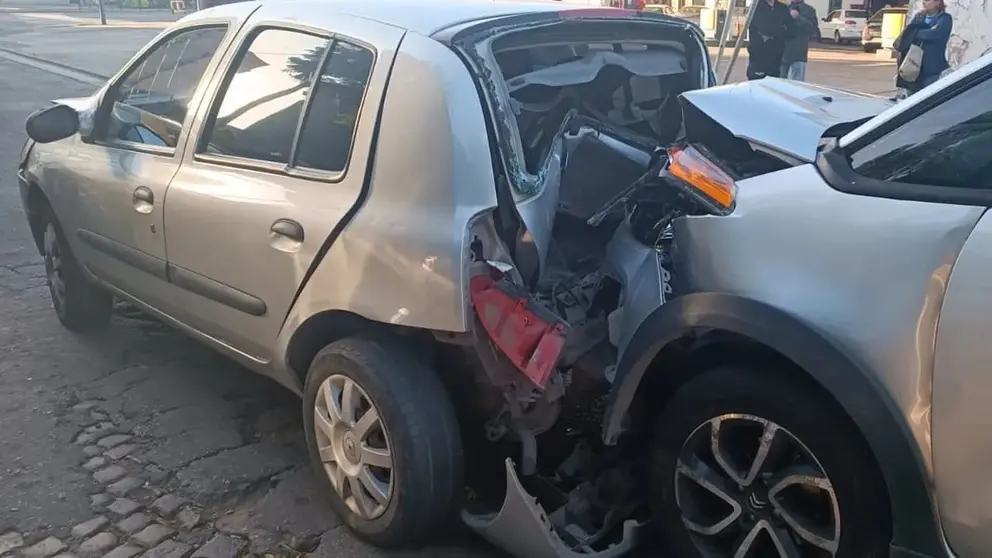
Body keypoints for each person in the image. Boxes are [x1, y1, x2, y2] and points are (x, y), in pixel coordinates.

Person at [895, 0, 953, 95]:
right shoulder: (919, 17)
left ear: (937, 3)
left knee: (928, 97)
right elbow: (906, 34)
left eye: (927, 0)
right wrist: (915, 32)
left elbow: (934, 35)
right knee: (911, 100)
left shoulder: (944, 18)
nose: (923, 2)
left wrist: (915, 33)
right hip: (913, 67)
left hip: (931, 69)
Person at [746, 0, 796, 80]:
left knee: (774, 83)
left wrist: (776, 33)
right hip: (758, 54)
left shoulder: (782, 8)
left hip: (777, 55)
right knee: (757, 83)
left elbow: (792, 31)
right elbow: (763, 28)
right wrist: (781, 29)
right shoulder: (756, 7)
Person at [781, 0, 818, 81]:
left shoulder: (809, 10)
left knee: (797, 85)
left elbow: (812, 29)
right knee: (779, 83)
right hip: (781, 53)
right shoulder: (783, 8)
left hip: (799, 53)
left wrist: (799, 18)